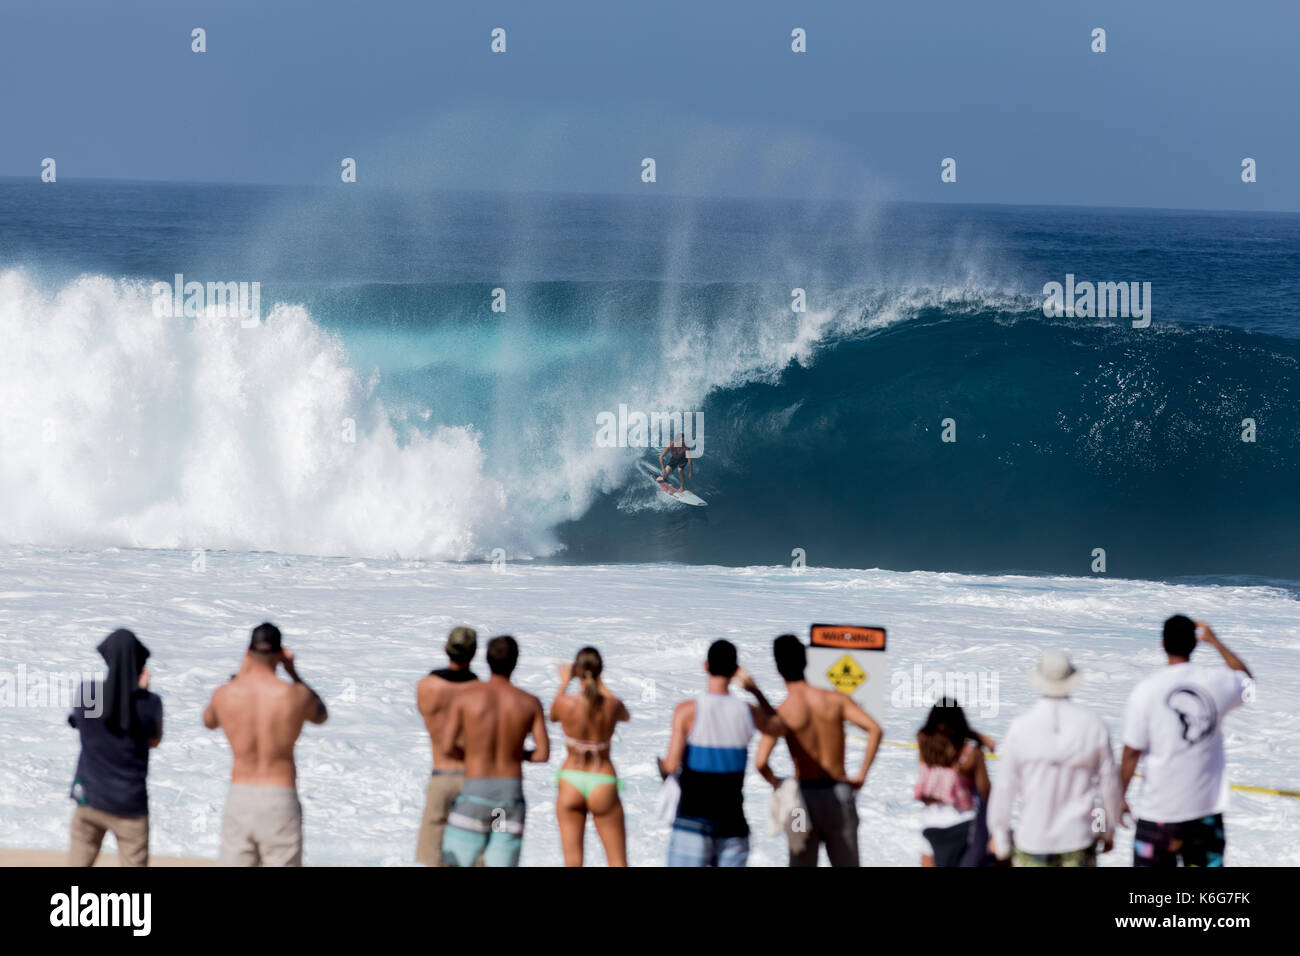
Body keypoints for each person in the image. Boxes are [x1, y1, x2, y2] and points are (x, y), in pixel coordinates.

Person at [1121, 617, 1252, 867]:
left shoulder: (1146, 690)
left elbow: (1131, 752)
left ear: (1162, 645)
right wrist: (1216, 642)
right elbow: (1247, 683)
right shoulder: (1215, 682)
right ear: (1194, 644)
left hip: (1158, 811)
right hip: (1205, 812)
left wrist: (1118, 796)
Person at [202, 622, 327, 866]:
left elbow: (209, 720)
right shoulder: (295, 695)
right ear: (280, 655)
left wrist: (241, 672)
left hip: (240, 794)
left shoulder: (225, 694)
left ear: (248, 653)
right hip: (279, 795)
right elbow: (321, 715)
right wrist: (293, 672)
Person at [754, 634, 883, 866]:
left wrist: (777, 783)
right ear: (806, 662)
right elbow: (874, 729)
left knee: (800, 861)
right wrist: (862, 774)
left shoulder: (784, 712)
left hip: (799, 802)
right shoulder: (835, 700)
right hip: (838, 793)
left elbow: (760, 762)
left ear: (777, 669)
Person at [986, 650, 1123, 867]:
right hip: (1077, 839)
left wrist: (999, 836)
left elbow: (1005, 788)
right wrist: (1107, 830)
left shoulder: (1021, 728)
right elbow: (1108, 787)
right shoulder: (1093, 726)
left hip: (1032, 840)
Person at [659, 639, 784, 867]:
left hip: (692, 821)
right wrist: (755, 690)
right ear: (736, 671)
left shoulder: (687, 711)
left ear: (705, 666)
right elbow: (780, 727)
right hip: (732, 823)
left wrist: (662, 769)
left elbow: (671, 765)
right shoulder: (748, 712)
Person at [440, 635, 550, 867]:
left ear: (486, 660)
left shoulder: (467, 697)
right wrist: (517, 753)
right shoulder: (529, 702)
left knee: (458, 862)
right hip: (506, 802)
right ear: (516, 662)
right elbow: (542, 755)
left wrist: (471, 755)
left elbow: (447, 746)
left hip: (475, 794)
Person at [67, 629, 163, 867]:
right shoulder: (149, 704)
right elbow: (154, 741)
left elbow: (78, 722)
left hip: (90, 798)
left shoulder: (89, 694)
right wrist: (141, 693)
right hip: (129, 805)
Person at [550, 647, 630, 866]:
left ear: (576, 672)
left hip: (571, 779)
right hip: (602, 778)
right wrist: (601, 684)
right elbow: (625, 714)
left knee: (573, 862)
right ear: (600, 671)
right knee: (617, 862)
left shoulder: (565, 704)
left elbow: (553, 713)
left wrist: (564, 683)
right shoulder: (611, 706)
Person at [414, 625, 480, 866]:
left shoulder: (427, 686)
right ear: (474, 653)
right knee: (477, 855)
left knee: (432, 857)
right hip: (474, 779)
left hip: (441, 776)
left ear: (446, 648)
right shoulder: (480, 691)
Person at [914, 698, 994, 867]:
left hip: (931, 823)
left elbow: (931, 733)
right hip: (963, 824)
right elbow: (986, 791)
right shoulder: (971, 753)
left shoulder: (924, 746)